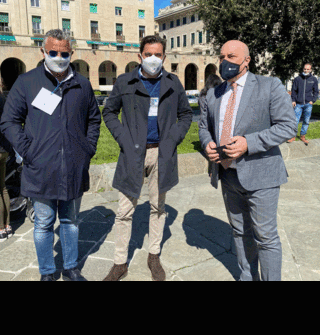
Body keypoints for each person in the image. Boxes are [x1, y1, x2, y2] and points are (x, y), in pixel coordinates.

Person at [0, 29, 101, 281]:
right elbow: (9, 121)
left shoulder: (83, 84)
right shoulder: (27, 83)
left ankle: (70, 267)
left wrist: (87, 149)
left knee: (70, 220)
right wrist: (27, 150)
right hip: (40, 167)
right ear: (43, 51)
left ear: (71, 53)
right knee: (44, 223)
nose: (58, 57)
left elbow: (94, 119)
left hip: (74, 167)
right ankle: (47, 271)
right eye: (53, 52)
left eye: (64, 53)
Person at [199, 40, 297, 281]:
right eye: (221, 57)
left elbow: (288, 126)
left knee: (265, 236)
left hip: (261, 174)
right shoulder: (214, 93)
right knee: (240, 231)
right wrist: (207, 144)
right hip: (227, 175)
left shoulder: (269, 86)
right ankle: (247, 277)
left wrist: (248, 143)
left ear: (246, 60)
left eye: (231, 56)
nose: (224, 62)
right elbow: (204, 127)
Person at [102, 35, 192, 281]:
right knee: (124, 211)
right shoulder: (125, 82)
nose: (153, 58)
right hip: (132, 154)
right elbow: (109, 112)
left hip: (161, 153)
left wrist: (173, 139)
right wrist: (123, 138)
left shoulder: (173, 83)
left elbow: (186, 115)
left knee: (157, 208)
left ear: (164, 56)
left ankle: (154, 255)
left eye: (158, 54)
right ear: (140, 55)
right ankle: (120, 262)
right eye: (148, 54)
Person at [287, 63, 319, 145]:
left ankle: (302, 136)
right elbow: (293, 90)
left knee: (306, 121)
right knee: (295, 120)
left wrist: (313, 100)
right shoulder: (297, 79)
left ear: (310, 70)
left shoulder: (314, 79)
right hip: (298, 104)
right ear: (303, 69)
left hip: (308, 104)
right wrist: (293, 100)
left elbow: (316, 91)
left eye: (308, 69)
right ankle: (293, 136)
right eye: (305, 69)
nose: (306, 70)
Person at [0, 87, 13, 242]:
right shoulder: (3, 98)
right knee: (2, 188)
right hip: (5, 149)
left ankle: (1, 229)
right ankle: (8, 226)